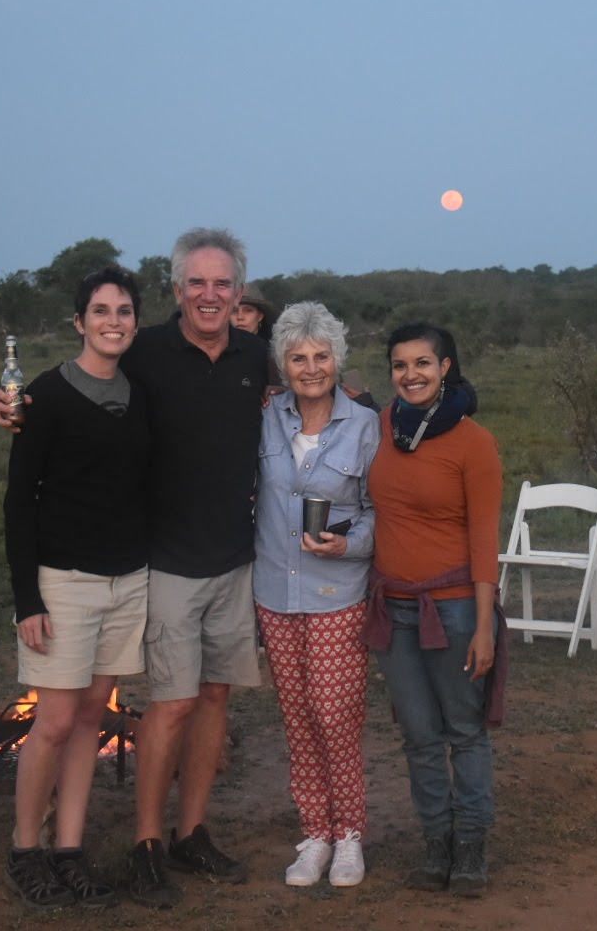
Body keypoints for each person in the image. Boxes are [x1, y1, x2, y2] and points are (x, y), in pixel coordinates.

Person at [0, 227, 269, 908]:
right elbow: (47, 431)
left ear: (238, 294)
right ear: (176, 292)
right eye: (196, 283)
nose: (210, 294)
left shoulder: (256, 357)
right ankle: (129, 845)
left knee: (199, 699)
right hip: (159, 563)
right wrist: (12, 406)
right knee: (154, 706)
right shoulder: (144, 352)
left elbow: (324, 382)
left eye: (222, 283)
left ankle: (182, 833)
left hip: (223, 560)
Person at [2, 267, 152, 912]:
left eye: (123, 311)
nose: (112, 320)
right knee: (56, 719)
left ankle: (70, 848)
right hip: (63, 581)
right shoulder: (46, 395)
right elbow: (17, 501)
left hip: (129, 578)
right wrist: (26, 600)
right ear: (79, 322)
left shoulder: (139, 393)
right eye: (100, 310)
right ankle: (24, 848)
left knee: (93, 717)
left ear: (135, 322)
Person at [363, 322, 505, 898]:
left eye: (423, 363)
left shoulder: (475, 442)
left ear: (446, 366)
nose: (411, 374)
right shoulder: (379, 427)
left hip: (454, 611)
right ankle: (436, 842)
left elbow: (483, 537)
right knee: (419, 736)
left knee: (464, 731)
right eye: (400, 365)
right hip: (394, 609)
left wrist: (484, 626)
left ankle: (471, 846)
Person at [253, 302, 379, 888]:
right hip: (275, 594)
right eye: (298, 357)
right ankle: (315, 835)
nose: (310, 368)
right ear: (283, 361)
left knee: (336, 718)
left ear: (338, 360)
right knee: (298, 720)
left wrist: (347, 547)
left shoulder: (364, 425)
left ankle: (350, 835)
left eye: (321, 356)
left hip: (337, 593)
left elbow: (382, 513)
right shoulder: (263, 418)